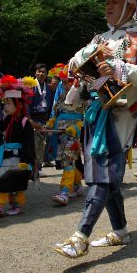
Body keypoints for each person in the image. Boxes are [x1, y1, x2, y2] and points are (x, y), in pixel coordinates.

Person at [53, 0, 137, 258]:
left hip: (123, 113)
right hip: (95, 110)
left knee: (102, 174)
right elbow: (73, 63)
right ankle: (121, 231)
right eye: (108, 2)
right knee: (106, 176)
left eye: (115, 2)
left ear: (129, 6)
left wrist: (118, 68)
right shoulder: (99, 38)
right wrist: (92, 52)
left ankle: (80, 236)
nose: (108, 7)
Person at [0, 75, 37, 217]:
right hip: (4, 156)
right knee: (0, 179)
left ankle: (16, 204)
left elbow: (28, 144)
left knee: (15, 183)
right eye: (4, 103)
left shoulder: (25, 122)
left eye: (8, 103)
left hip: (17, 157)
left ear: (18, 104)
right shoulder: (5, 119)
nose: (5, 106)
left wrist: (27, 162)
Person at [45, 64, 86, 206]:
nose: (66, 84)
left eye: (69, 81)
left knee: (68, 160)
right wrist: (50, 123)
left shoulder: (83, 98)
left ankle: (64, 192)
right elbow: (55, 113)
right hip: (59, 133)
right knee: (68, 161)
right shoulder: (61, 96)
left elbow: (87, 119)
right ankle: (78, 185)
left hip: (73, 134)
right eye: (63, 82)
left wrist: (77, 128)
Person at [28, 63, 54, 171]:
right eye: (39, 71)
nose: (41, 74)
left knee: (42, 145)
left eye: (43, 72)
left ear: (47, 74)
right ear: (35, 73)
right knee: (34, 144)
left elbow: (51, 104)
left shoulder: (48, 88)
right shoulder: (30, 86)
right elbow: (27, 104)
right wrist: (28, 118)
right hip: (33, 117)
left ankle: (38, 168)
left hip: (44, 117)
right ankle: (34, 168)